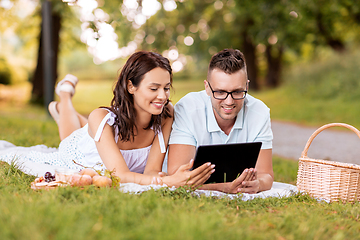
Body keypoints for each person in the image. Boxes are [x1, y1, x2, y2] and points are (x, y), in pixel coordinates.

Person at [3, 51, 214, 187]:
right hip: (83, 154)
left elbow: (150, 171)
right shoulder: (101, 117)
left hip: (104, 134)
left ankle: (72, 115)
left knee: (90, 128)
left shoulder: (166, 113)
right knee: (69, 136)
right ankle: (65, 95)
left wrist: (170, 178)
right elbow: (121, 175)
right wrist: (168, 181)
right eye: (154, 88)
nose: (163, 96)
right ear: (131, 86)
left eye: (166, 88)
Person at [167, 49, 274, 194]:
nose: (229, 102)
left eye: (237, 92)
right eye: (220, 92)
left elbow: (266, 175)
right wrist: (223, 187)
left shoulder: (259, 112)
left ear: (247, 87)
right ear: (207, 88)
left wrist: (258, 184)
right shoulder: (187, 109)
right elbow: (175, 177)